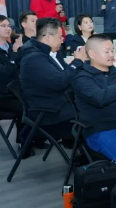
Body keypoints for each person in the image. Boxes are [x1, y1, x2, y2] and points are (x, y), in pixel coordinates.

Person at [73, 34, 116, 178]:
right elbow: (99, 98)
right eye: (107, 51)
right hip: (103, 131)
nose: (112, 55)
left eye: (112, 51)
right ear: (92, 54)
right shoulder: (82, 78)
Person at [20, 18, 87, 150]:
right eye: (60, 37)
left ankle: (85, 152)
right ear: (48, 37)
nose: (62, 40)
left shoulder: (51, 52)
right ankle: (87, 156)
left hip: (63, 103)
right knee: (96, 115)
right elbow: (60, 82)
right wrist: (77, 62)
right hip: (50, 112)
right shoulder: (34, 58)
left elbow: (66, 75)